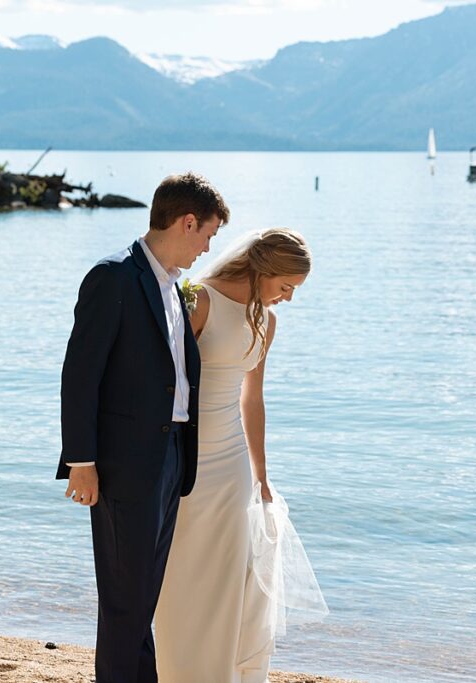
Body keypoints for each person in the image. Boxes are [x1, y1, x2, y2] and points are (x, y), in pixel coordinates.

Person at [57, 172, 229, 683]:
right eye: (208, 235)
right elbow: (80, 375)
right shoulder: (113, 277)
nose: (207, 248)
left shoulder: (174, 287)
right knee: (123, 600)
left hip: (171, 459)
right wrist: (81, 462)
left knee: (142, 597)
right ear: (187, 222)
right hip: (124, 466)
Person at [154, 228, 327, 683]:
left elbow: (253, 399)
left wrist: (261, 475)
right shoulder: (200, 301)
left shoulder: (267, 322)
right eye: (285, 286)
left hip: (233, 465)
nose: (288, 297)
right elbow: (163, 383)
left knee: (232, 576)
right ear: (264, 270)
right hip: (188, 461)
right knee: (185, 571)